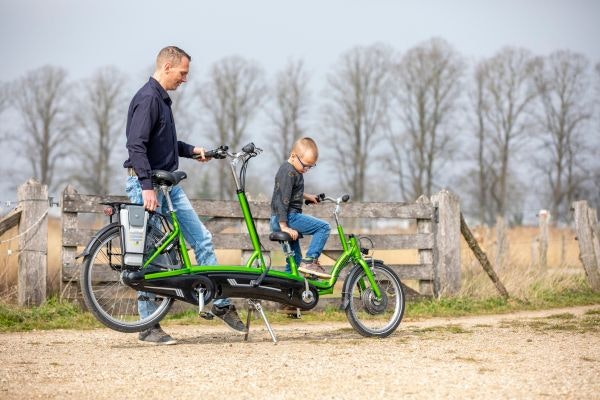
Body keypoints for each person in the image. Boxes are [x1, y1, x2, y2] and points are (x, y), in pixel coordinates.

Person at [123, 46, 246, 345]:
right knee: (150, 258)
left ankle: (218, 303)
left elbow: (165, 144)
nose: (185, 79)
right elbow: (136, 145)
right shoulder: (148, 99)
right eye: (182, 73)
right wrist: (146, 187)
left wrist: (193, 151)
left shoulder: (163, 101)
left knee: (201, 238)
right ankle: (148, 326)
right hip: (149, 186)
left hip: (169, 187)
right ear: (167, 66)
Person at [270, 137, 331, 278]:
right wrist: (284, 226)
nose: (307, 169)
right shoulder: (289, 172)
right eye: (305, 165)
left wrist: (308, 196)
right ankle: (310, 261)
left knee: (295, 260)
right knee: (324, 227)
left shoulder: (291, 170)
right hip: (287, 218)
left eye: (311, 166)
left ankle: (285, 291)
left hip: (282, 218)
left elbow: (290, 192)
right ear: (293, 155)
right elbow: (282, 200)